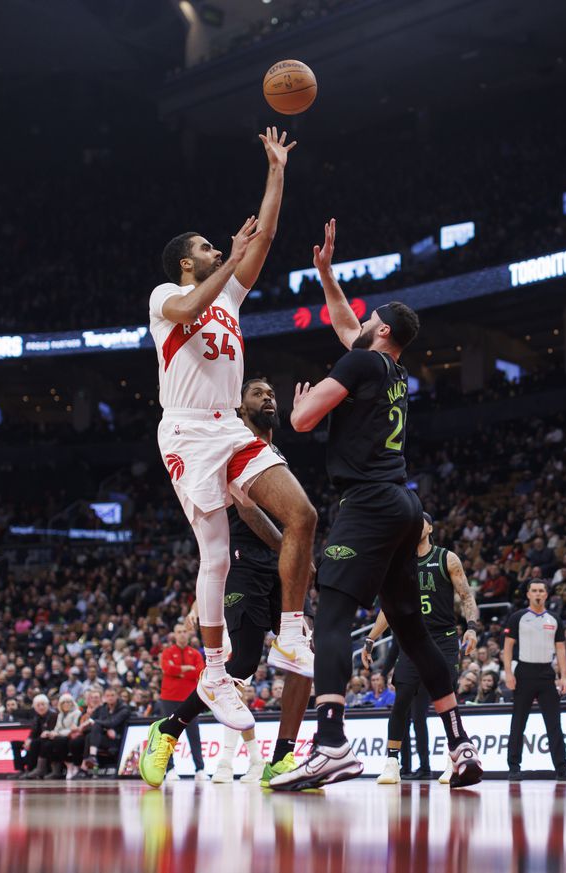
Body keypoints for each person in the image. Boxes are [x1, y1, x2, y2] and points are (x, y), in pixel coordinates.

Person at [270, 219, 481, 790]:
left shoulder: (364, 363)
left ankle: (332, 742)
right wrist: (326, 276)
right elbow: (348, 329)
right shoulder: (392, 369)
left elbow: (301, 420)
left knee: (334, 614)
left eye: (369, 320)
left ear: (381, 328)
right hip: (405, 504)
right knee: (410, 627)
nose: (358, 323)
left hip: (366, 503)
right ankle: (460, 745)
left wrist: (302, 402)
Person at [143, 126, 315, 748]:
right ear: (190, 261)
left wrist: (276, 171)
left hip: (228, 425)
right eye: (211, 247)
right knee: (215, 554)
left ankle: (292, 627)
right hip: (186, 431)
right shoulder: (169, 293)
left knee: (302, 513)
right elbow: (191, 312)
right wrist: (230, 261)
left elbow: (264, 236)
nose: (223, 250)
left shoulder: (231, 298)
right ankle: (214, 675)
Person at [163, 377, 318, 788]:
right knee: (245, 661)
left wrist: (294, 554)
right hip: (241, 564)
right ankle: (170, 729)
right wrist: (294, 545)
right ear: (237, 404)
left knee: (302, 655)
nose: (268, 397)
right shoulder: (230, 441)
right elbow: (249, 513)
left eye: (272, 392)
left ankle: (282, 758)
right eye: (257, 393)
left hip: (277, 564)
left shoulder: (273, 453)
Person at [363, 511, 479, 784]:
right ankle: (392, 762)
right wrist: (370, 638)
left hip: (444, 639)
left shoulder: (447, 558)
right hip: (412, 640)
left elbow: (466, 596)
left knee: (447, 701)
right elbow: (388, 609)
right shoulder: (399, 563)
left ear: (429, 527)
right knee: (401, 702)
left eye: (419, 522)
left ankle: (453, 756)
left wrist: (472, 627)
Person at [500, 579, 566, 780]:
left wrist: (563, 677)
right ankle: (514, 767)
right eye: (534, 590)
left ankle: (562, 768)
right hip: (524, 673)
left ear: (546, 594)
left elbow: (561, 649)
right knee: (518, 722)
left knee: (554, 723)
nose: (537, 594)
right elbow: (507, 647)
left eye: (541, 590)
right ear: (528, 594)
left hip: (547, 674)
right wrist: (508, 673)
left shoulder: (554, 619)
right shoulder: (517, 617)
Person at [153, 622, 204, 782]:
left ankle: (200, 769)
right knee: (167, 735)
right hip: (169, 698)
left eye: (184, 631)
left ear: (188, 634)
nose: (182, 634)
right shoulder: (167, 652)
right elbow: (167, 669)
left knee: (194, 735)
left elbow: (200, 672)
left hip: (190, 700)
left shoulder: (195, 653)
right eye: (179, 631)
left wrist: (179, 670)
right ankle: (170, 769)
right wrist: (187, 669)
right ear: (174, 635)